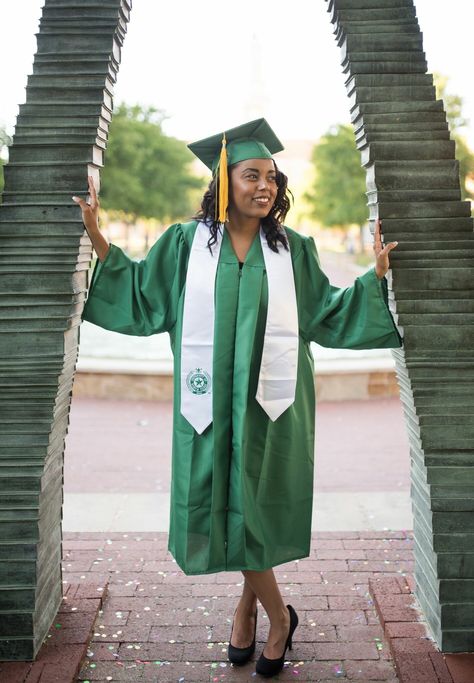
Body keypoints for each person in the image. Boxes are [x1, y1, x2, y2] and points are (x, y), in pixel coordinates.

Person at [72, 118, 402, 678]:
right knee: (224, 503)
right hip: (208, 407)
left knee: (257, 506)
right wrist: (98, 236)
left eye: (271, 177)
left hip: (274, 405)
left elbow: (326, 312)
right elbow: (142, 296)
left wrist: (374, 277)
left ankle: (257, 613)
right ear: (225, 182)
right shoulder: (184, 244)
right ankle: (275, 613)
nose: (265, 187)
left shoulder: (293, 248)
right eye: (252, 175)